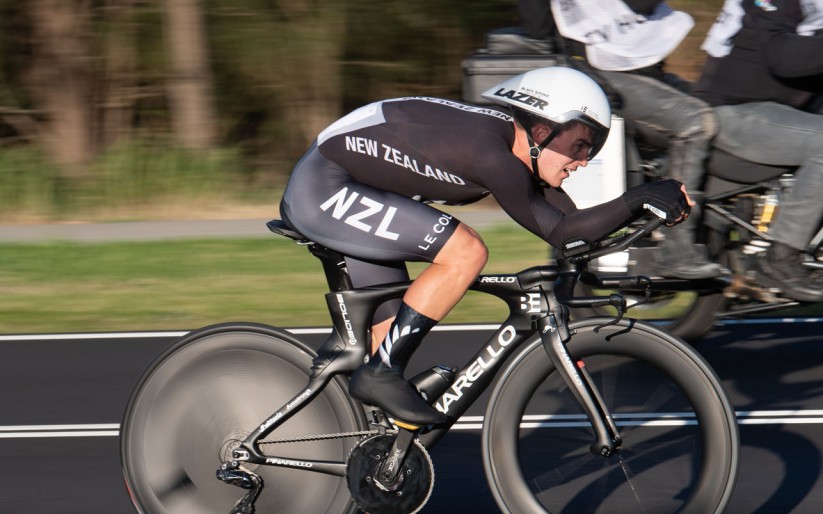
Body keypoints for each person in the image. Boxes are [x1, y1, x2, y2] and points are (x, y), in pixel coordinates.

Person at [280, 66, 694, 430]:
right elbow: (563, 234)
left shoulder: (516, 152)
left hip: (362, 188)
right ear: (542, 130)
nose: (585, 160)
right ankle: (379, 374)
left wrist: (648, 211)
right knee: (465, 252)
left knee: (388, 340)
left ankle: (374, 457)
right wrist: (640, 196)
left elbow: (577, 234)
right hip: (325, 187)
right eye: (580, 146)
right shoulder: (489, 153)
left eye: (592, 149)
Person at [693, 0, 823, 302]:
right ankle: (781, 257)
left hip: (765, 105)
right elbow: (783, 55)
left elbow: (814, 39)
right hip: (733, 109)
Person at [517, 0, 724, 280]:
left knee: (717, 110)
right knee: (696, 122)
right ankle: (676, 249)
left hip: (631, 67)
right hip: (598, 73)